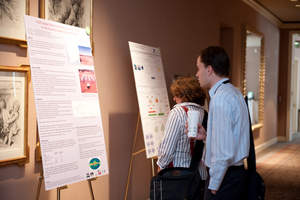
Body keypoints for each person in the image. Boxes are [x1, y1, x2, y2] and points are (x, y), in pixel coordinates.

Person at [195, 46, 250, 200]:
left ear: (209, 70)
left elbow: (224, 152)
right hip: (234, 175)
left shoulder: (220, 99)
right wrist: (208, 137)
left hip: (225, 177)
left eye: (199, 68)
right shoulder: (234, 92)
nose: (196, 74)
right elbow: (232, 137)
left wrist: (214, 183)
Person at [157, 76, 206, 173]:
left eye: (176, 95)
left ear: (184, 95)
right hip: (199, 173)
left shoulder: (177, 112)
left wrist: (161, 166)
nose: (174, 99)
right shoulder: (204, 112)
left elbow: (167, 149)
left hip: (179, 175)